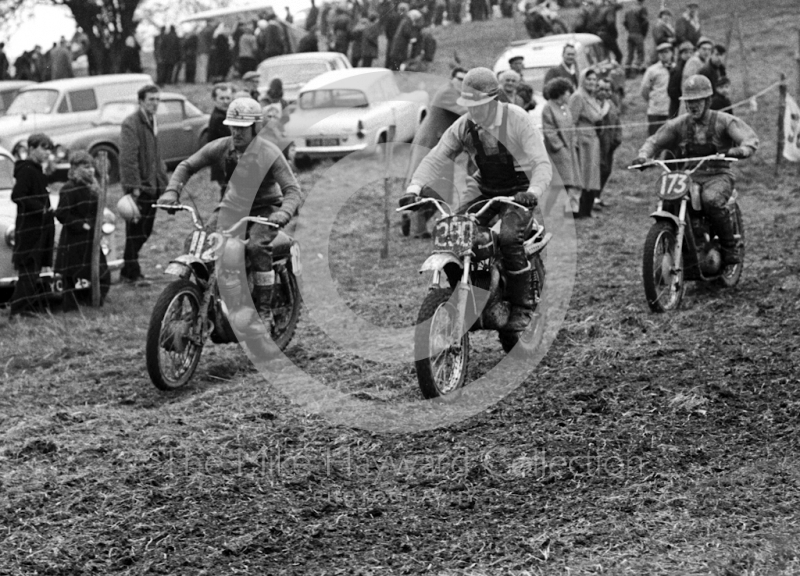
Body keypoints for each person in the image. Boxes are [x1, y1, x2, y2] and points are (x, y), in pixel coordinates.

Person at [400, 67, 552, 332]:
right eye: (469, 105)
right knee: (453, 229)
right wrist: (414, 187)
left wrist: (534, 192)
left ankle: (523, 307)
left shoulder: (517, 119)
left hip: (520, 188)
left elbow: (541, 163)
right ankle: (466, 290)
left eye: (479, 105)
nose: (474, 111)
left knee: (508, 238)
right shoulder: (465, 125)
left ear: (494, 99)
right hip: (485, 185)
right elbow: (438, 156)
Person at [159, 97, 307, 336]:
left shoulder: (269, 152)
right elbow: (187, 165)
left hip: (265, 209)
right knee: (197, 242)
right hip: (231, 208)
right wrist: (171, 190)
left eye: (243, 128)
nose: (237, 133)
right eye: (233, 126)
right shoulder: (222, 147)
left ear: (256, 127)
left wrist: (283, 212)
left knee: (257, 247)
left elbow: (292, 189)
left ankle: (264, 309)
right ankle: (202, 299)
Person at [634, 75, 759, 265]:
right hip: (690, 175)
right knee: (670, 201)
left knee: (711, 200)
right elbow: (655, 140)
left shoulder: (724, 121)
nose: (693, 105)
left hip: (718, 175)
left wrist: (741, 149)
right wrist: (644, 155)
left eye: (697, 101)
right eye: (689, 101)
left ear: (708, 101)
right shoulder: (680, 124)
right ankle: (685, 242)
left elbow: (749, 139)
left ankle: (729, 246)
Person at [402, 66, 467, 238]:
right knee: (428, 187)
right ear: (452, 79)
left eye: (466, 80)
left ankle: (410, 218)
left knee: (442, 191)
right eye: (460, 79)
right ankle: (417, 228)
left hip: (443, 148)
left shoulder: (460, 94)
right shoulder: (448, 93)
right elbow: (468, 113)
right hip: (429, 144)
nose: (462, 83)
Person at [119, 85, 168, 285]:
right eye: (151, 100)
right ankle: (131, 271)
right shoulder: (131, 123)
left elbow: (156, 157)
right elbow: (128, 158)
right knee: (136, 231)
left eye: (157, 100)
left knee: (145, 230)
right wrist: (134, 187)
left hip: (153, 186)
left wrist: (163, 183)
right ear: (140, 101)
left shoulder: (152, 121)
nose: (155, 104)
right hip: (140, 189)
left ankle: (129, 269)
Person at [54, 151, 110, 311]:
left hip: (91, 239)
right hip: (74, 240)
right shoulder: (69, 188)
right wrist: (81, 225)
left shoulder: (93, 186)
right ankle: (71, 307)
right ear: (75, 168)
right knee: (70, 276)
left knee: (102, 273)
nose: (91, 170)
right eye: (86, 167)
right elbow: (61, 214)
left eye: (92, 166)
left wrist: (98, 222)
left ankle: (93, 300)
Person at [9, 133, 56, 318]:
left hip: (40, 229)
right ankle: (18, 309)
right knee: (28, 269)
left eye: (49, 149)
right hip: (29, 229)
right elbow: (17, 195)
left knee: (34, 269)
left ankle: (27, 306)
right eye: (43, 148)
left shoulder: (37, 170)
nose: (47, 153)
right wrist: (41, 209)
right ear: (31, 148)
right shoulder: (27, 170)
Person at [569, 68, 609, 218]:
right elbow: (571, 121)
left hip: (592, 139)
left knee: (591, 175)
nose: (592, 82)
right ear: (582, 80)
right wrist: (574, 141)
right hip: (582, 140)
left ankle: (587, 209)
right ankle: (578, 210)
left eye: (594, 79)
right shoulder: (578, 97)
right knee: (582, 176)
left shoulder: (592, 97)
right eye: (588, 79)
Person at [541, 77, 581, 216]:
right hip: (557, 151)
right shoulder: (548, 107)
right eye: (567, 92)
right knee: (559, 182)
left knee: (571, 181)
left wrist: (573, 142)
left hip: (570, 149)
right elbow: (549, 130)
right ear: (560, 92)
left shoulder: (565, 107)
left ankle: (570, 210)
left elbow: (572, 125)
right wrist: (559, 147)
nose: (569, 95)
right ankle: (550, 210)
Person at [595, 77, 621, 206]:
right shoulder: (592, 103)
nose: (603, 92)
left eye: (607, 89)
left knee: (606, 170)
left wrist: (617, 139)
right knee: (596, 171)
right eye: (600, 89)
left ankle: (598, 196)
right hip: (596, 144)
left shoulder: (611, 105)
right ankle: (592, 199)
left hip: (609, 144)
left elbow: (617, 122)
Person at [641, 42, 673, 136]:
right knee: (654, 137)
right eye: (661, 52)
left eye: (666, 52)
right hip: (655, 109)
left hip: (670, 109)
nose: (663, 55)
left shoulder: (676, 68)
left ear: (672, 53)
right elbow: (644, 89)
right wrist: (652, 100)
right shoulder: (652, 70)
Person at [209, 83, 234, 196]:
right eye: (222, 98)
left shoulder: (225, 115)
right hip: (223, 164)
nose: (225, 101)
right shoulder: (219, 118)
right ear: (214, 100)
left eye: (228, 98)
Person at [668, 41, 694, 118]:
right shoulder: (677, 70)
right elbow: (671, 90)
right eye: (686, 53)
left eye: (690, 53)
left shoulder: (693, 67)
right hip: (677, 105)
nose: (689, 55)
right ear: (681, 54)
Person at [623, 0, 648, 77]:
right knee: (640, 53)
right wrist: (643, 34)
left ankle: (627, 71)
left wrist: (629, 30)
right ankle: (635, 71)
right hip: (638, 33)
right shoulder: (642, 9)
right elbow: (645, 22)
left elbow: (625, 22)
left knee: (630, 54)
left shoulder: (629, 10)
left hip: (630, 34)